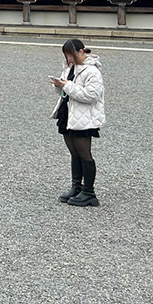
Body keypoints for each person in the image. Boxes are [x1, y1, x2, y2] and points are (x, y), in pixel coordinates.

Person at [49, 38, 105, 207]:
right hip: (68, 113)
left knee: (84, 154)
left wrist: (67, 86)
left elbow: (91, 96)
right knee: (74, 153)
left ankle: (89, 192)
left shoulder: (92, 71)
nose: (69, 59)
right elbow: (66, 90)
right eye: (67, 56)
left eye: (71, 55)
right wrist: (59, 85)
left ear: (81, 51)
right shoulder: (69, 68)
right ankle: (76, 187)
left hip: (84, 117)